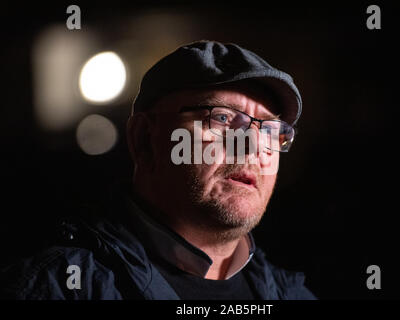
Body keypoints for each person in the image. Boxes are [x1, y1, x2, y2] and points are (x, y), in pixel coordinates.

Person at [0, 40, 316, 300]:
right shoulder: (60, 289)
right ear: (145, 140)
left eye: (271, 130)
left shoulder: (292, 295)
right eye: (221, 118)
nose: (252, 147)